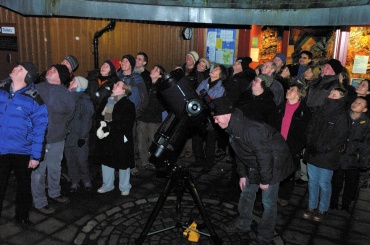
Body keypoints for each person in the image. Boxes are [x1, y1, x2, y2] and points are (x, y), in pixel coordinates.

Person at [213, 97, 294, 245]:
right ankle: (243, 223)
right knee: (246, 193)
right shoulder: (232, 127)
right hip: (256, 162)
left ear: (226, 114)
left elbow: (264, 156)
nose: (215, 122)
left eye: (216, 118)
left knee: (268, 202)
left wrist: (265, 180)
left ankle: (265, 236)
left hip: (273, 163)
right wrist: (242, 175)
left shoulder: (250, 129)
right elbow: (239, 153)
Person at [0, 62, 48, 226]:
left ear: (27, 77)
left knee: (23, 187)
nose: (15, 68)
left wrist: (35, 155)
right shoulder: (1, 89)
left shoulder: (34, 98)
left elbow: (39, 128)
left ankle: (22, 217)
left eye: (21, 69)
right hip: (1, 148)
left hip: (22, 151)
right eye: (17, 66)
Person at [32, 64, 76, 215]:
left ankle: (54, 192)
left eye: (54, 70)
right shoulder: (36, 88)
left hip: (57, 138)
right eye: (50, 68)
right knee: (38, 171)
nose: (49, 70)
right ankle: (40, 201)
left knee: (55, 167)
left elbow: (70, 114)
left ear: (60, 77)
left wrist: (60, 128)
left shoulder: (66, 95)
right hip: (39, 138)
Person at [303, 87, 351, 222]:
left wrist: (322, 148)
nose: (330, 96)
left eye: (334, 95)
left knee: (324, 183)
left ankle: (323, 209)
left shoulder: (342, 115)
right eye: (330, 93)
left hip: (328, 155)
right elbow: (311, 128)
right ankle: (311, 206)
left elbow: (339, 138)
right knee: (312, 181)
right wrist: (310, 144)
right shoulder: (320, 110)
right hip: (314, 152)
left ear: (341, 98)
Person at [330, 96, 370, 212]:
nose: (355, 104)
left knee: (351, 182)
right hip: (340, 154)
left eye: (360, 103)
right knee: (336, 181)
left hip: (355, 157)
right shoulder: (343, 116)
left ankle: (346, 204)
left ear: (365, 109)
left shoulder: (366, 123)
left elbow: (367, 143)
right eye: (355, 101)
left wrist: (365, 160)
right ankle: (333, 202)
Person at [96, 81, 136, 196]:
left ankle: (124, 186)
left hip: (120, 137)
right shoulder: (108, 101)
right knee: (106, 161)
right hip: (107, 136)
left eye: (117, 84)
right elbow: (99, 115)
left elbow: (126, 123)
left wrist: (108, 127)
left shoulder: (128, 104)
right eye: (115, 84)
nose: (114, 85)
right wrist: (100, 126)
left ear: (124, 90)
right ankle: (107, 185)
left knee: (123, 163)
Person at [276, 82, 311, 206]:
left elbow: (305, 131)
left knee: (289, 171)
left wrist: (299, 146)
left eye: (292, 90)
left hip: (293, 146)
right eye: (289, 88)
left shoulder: (304, 111)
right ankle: (273, 192)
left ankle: (284, 195)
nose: (288, 91)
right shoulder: (280, 107)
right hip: (278, 144)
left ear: (299, 94)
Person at [192, 64, 227, 172]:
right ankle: (199, 160)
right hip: (199, 116)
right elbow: (196, 95)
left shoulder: (220, 88)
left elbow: (214, 105)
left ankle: (208, 165)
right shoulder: (204, 82)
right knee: (196, 140)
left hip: (211, 120)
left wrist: (204, 99)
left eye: (216, 69)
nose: (213, 70)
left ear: (220, 75)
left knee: (210, 143)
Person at [117, 54, 148, 175]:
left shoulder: (137, 78)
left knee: (129, 140)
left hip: (131, 115)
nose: (123, 63)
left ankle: (131, 165)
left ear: (131, 64)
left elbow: (144, 97)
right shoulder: (117, 77)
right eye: (122, 61)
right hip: (118, 116)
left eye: (126, 61)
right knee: (118, 141)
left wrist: (137, 112)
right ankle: (118, 164)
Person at [65, 76, 94, 193]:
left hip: (78, 138)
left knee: (82, 161)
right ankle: (74, 182)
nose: (70, 82)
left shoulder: (84, 101)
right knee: (70, 161)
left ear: (79, 85)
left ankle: (86, 180)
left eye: (73, 81)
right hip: (67, 137)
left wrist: (82, 136)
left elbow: (87, 121)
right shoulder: (67, 97)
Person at [137, 65, 166, 170]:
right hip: (142, 118)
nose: (153, 70)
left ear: (160, 75)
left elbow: (165, 104)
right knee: (141, 142)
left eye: (156, 70)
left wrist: (157, 108)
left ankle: (152, 161)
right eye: (153, 68)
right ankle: (144, 162)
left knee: (152, 142)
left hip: (154, 119)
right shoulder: (146, 84)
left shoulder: (161, 87)